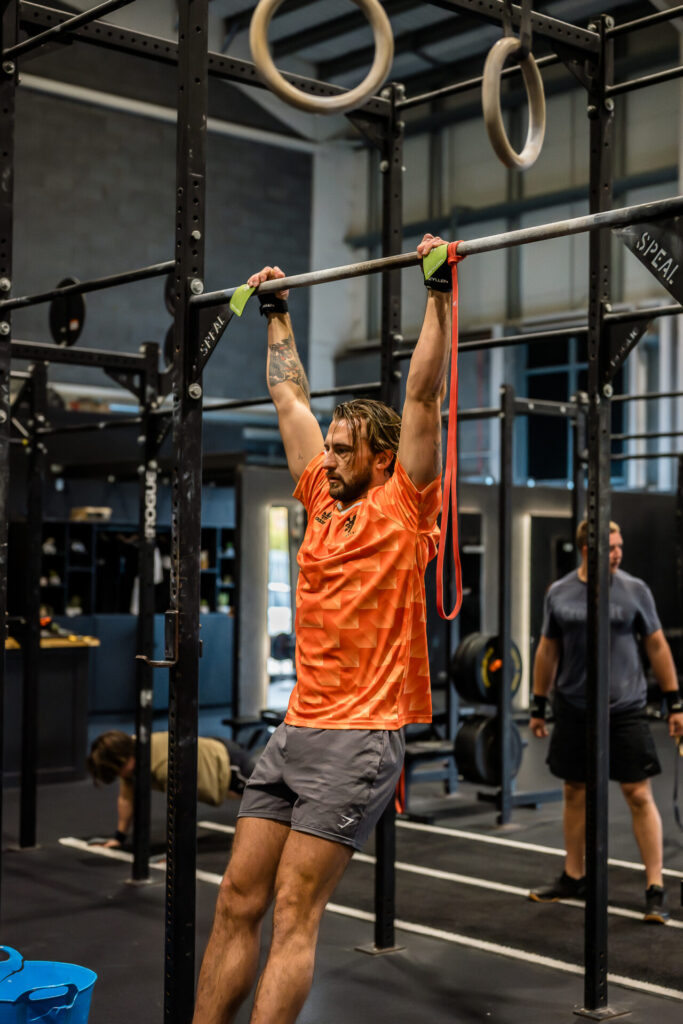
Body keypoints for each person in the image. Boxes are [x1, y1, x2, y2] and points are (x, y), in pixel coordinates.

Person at [192, 233, 451, 1024]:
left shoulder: (404, 503)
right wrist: (276, 312)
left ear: (381, 459)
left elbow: (421, 398)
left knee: (293, 912)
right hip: (296, 730)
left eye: (343, 451)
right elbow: (290, 400)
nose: (327, 459)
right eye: (329, 449)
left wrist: (438, 291)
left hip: (358, 739)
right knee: (236, 899)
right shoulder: (321, 499)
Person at [528, 518, 683, 923]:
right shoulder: (559, 593)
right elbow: (547, 650)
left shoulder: (635, 590)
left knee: (638, 793)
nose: (618, 553)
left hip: (625, 708)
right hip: (574, 708)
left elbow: (657, 645)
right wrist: (538, 704)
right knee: (574, 791)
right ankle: (573, 875)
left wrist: (675, 703)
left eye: (620, 545)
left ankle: (655, 887)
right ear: (588, 549)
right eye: (611, 547)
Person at [87, 730, 258, 847]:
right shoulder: (132, 760)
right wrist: (119, 837)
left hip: (226, 759)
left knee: (266, 796)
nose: (119, 775)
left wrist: (175, 854)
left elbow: (182, 808)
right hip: (205, 755)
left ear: (125, 758)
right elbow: (126, 799)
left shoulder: (165, 764)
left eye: (118, 770)